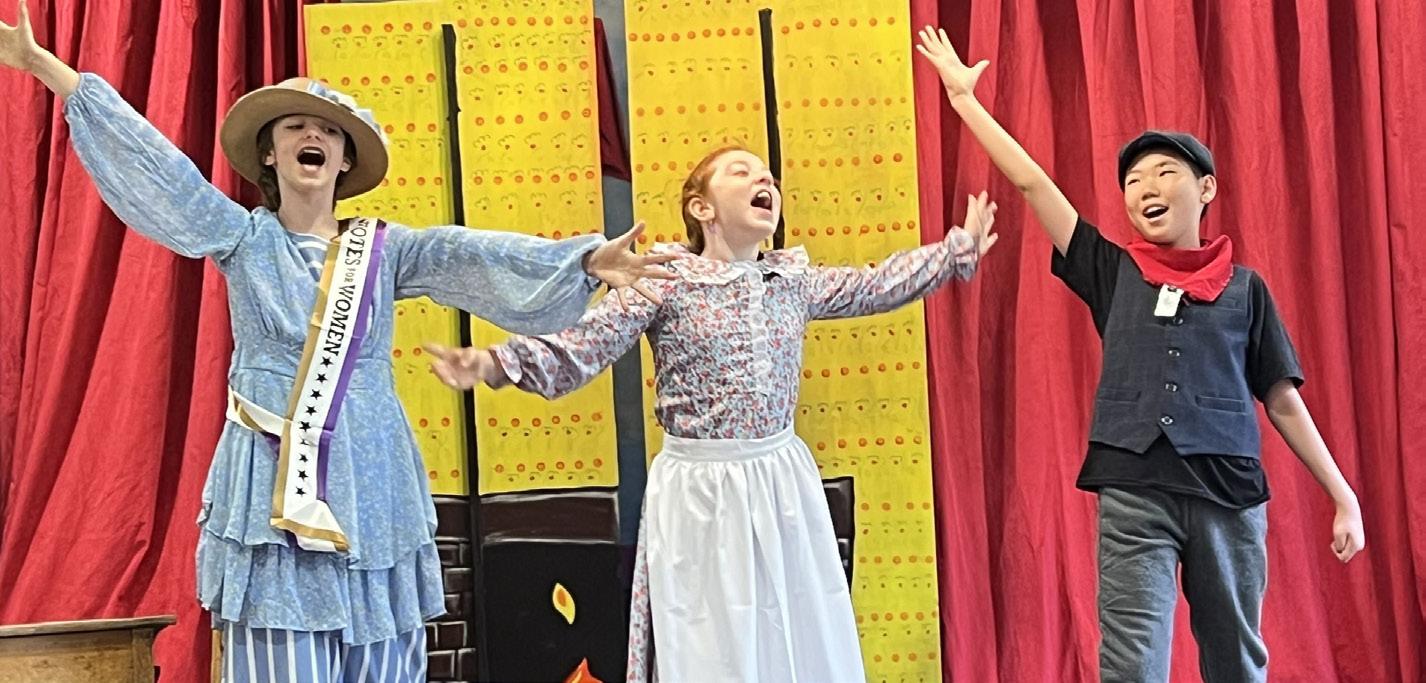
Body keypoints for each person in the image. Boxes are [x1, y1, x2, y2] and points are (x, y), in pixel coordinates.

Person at [0, 2, 677, 680]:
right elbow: (160, 173)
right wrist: (47, 67)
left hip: (373, 487)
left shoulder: (386, 251)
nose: (312, 135)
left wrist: (584, 260)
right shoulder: (244, 239)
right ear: (270, 153)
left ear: (344, 158)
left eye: (328, 129)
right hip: (275, 491)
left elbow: (471, 253)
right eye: (295, 126)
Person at [425, 145, 998, 681]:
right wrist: (496, 363)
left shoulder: (790, 282)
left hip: (780, 483)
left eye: (767, 174)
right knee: (709, 641)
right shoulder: (665, 280)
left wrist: (954, 251)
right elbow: (586, 343)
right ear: (702, 208)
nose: (763, 178)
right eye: (741, 171)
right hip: (700, 492)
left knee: (796, 626)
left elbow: (873, 285)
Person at [915, 24, 1365, 682]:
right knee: (1130, 666)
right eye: (1132, 179)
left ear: (1205, 189)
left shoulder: (1247, 290)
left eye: (1164, 173)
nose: (1145, 186)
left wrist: (1343, 495)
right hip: (1133, 491)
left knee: (1237, 662)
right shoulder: (1112, 270)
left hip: (1228, 494)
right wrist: (965, 102)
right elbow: (1036, 185)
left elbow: (1283, 400)